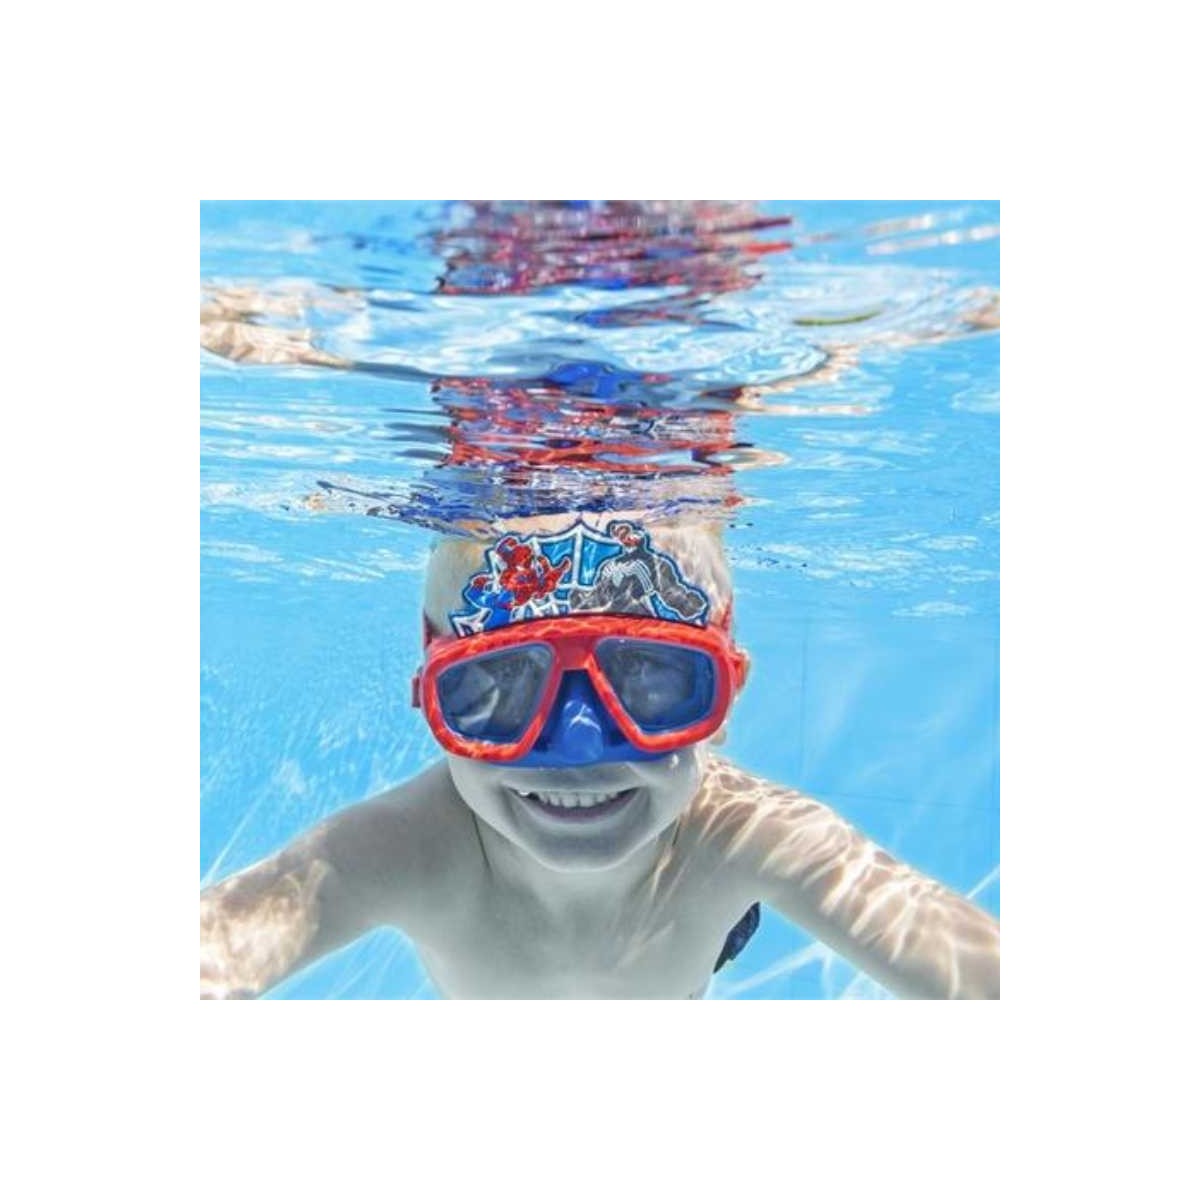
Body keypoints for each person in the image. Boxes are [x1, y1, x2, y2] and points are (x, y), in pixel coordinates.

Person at [200, 512, 1000, 999]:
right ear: (432, 699)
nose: (576, 749)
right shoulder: (402, 850)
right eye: (501, 687)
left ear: (725, 700)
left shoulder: (751, 834)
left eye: (650, 682)